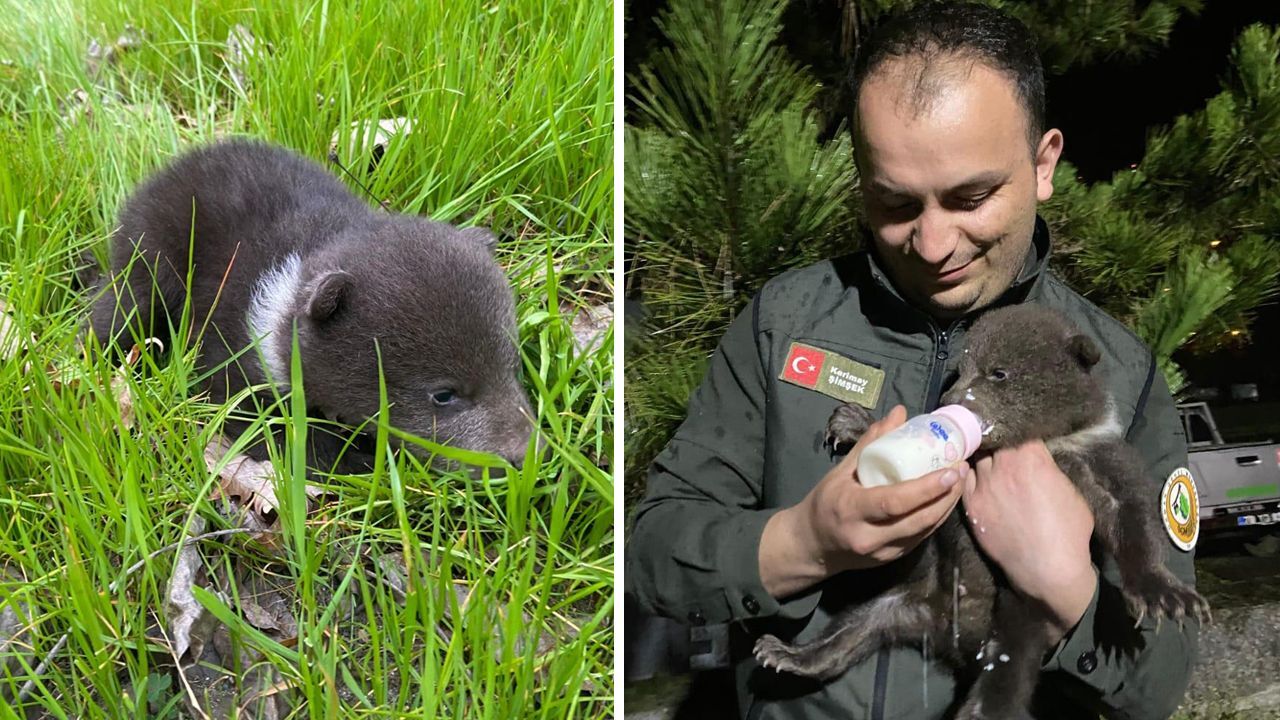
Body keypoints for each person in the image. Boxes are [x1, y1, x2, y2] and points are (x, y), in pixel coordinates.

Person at [625, 3, 1200, 718]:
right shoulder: (785, 324)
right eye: (894, 202)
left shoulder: (1116, 372)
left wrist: (1069, 593)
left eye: (972, 197)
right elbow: (650, 555)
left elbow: (1164, 681)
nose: (932, 246)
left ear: (1044, 163)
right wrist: (805, 540)